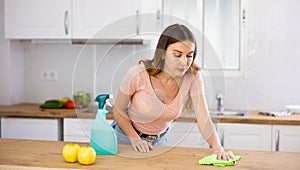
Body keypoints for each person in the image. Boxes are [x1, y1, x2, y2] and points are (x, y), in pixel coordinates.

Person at [112, 24, 232, 160]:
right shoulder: (138, 73)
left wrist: (217, 146)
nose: (184, 62)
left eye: (189, 55)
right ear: (162, 54)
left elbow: (203, 117)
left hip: (159, 142)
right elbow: (118, 110)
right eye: (177, 55)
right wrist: (135, 139)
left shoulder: (192, 77)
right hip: (126, 139)